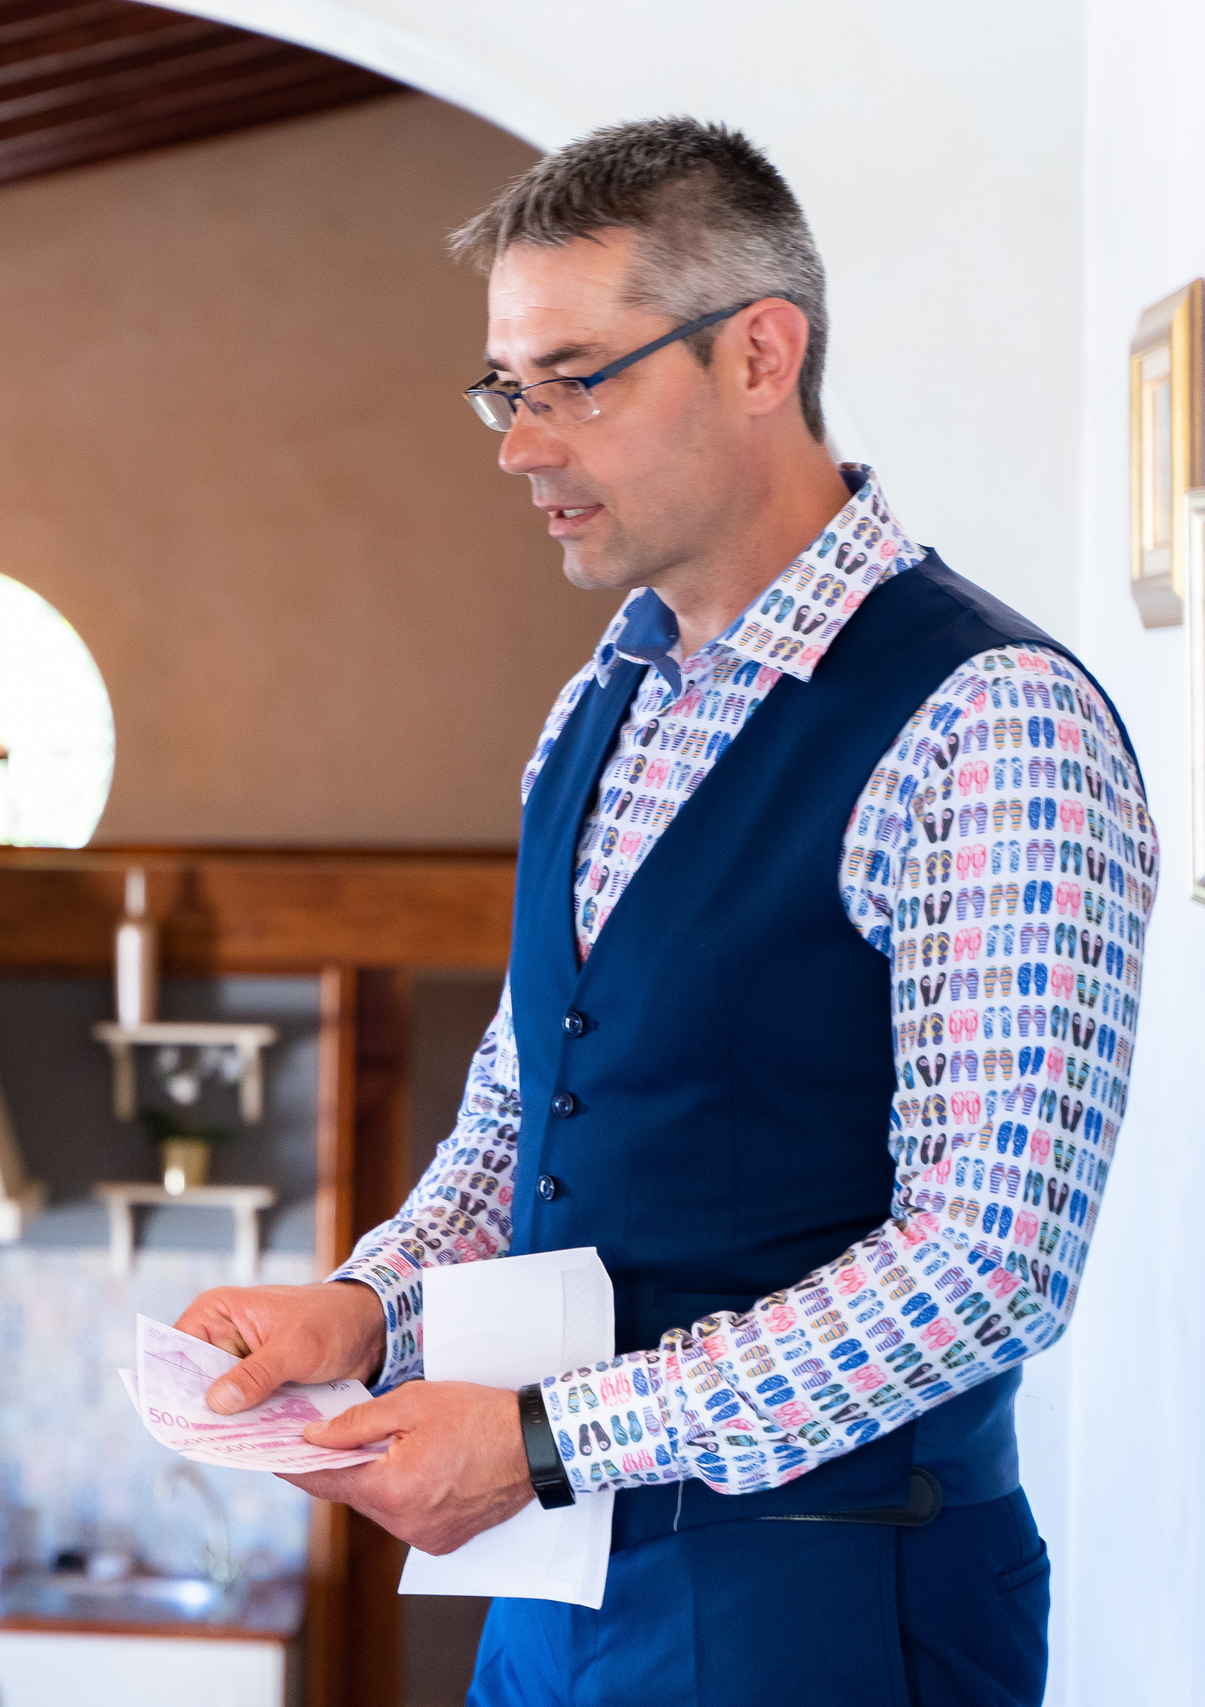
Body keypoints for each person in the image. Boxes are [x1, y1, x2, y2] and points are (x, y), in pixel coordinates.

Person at [175, 120, 1154, 1705]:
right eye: (506, 388)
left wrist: (550, 1437)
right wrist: (365, 1310)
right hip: (557, 1589)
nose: (521, 445)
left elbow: (992, 1264)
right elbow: (524, 1108)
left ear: (762, 354)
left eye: (579, 380)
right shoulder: (600, 704)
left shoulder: (995, 721)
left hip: (832, 1603)